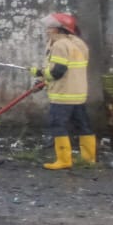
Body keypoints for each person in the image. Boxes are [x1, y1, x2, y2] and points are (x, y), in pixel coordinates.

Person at [30, 12, 95, 170]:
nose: (47, 30)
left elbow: (57, 72)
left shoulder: (59, 45)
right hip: (78, 94)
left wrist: (39, 73)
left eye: (50, 27)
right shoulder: (78, 44)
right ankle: (89, 158)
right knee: (83, 125)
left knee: (57, 125)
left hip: (62, 95)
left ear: (60, 29)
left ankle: (64, 160)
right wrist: (43, 81)